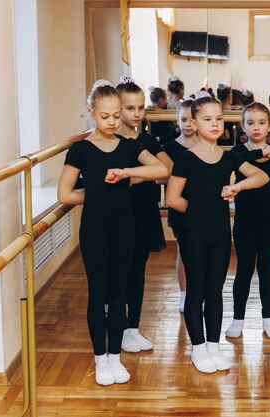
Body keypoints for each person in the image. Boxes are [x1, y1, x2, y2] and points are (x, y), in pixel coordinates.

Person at [57, 80, 168, 386]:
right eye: (105, 116)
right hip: (94, 229)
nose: (112, 121)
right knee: (99, 293)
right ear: (92, 113)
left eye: (116, 115)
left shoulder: (131, 147)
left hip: (125, 228)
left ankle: (116, 356)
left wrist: (129, 173)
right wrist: (95, 192)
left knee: (119, 293)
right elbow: (65, 194)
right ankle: (99, 359)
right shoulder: (80, 149)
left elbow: (161, 170)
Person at [165, 96, 269, 374]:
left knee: (215, 291)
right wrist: (200, 211)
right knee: (196, 290)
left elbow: (261, 177)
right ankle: (198, 348)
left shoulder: (229, 157)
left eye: (219, 118)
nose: (214, 123)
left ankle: (213, 345)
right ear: (194, 123)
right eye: (207, 119)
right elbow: (172, 198)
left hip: (221, 233)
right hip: (193, 232)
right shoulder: (186, 159)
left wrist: (239, 187)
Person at [115, 76, 173, 353]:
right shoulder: (109, 142)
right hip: (118, 212)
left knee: (137, 270)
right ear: (118, 108)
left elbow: (168, 169)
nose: (136, 114)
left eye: (140, 108)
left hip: (142, 211)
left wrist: (138, 178)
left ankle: (132, 327)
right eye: (130, 108)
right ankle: (115, 323)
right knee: (118, 270)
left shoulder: (148, 140)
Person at [225, 103, 270, 340]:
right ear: (242, 126)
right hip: (244, 221)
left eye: (261, 123)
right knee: (243, 269)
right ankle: (237, 319)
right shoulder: (237, 153)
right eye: (250, 123)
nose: (256, 127)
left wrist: (269, 193)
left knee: (267, 270)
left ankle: (269, 319)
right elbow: (232, 161)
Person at [162, 99, 198, 313]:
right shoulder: (168, 148)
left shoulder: (206, 146)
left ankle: (197, 291)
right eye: (183, 119)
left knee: (200, 252)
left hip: (201, 205)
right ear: (177, 120)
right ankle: (184, 293)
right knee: (184, 251)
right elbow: (160, 177)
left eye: (192, 120)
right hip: (179, 205)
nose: (188, 124)